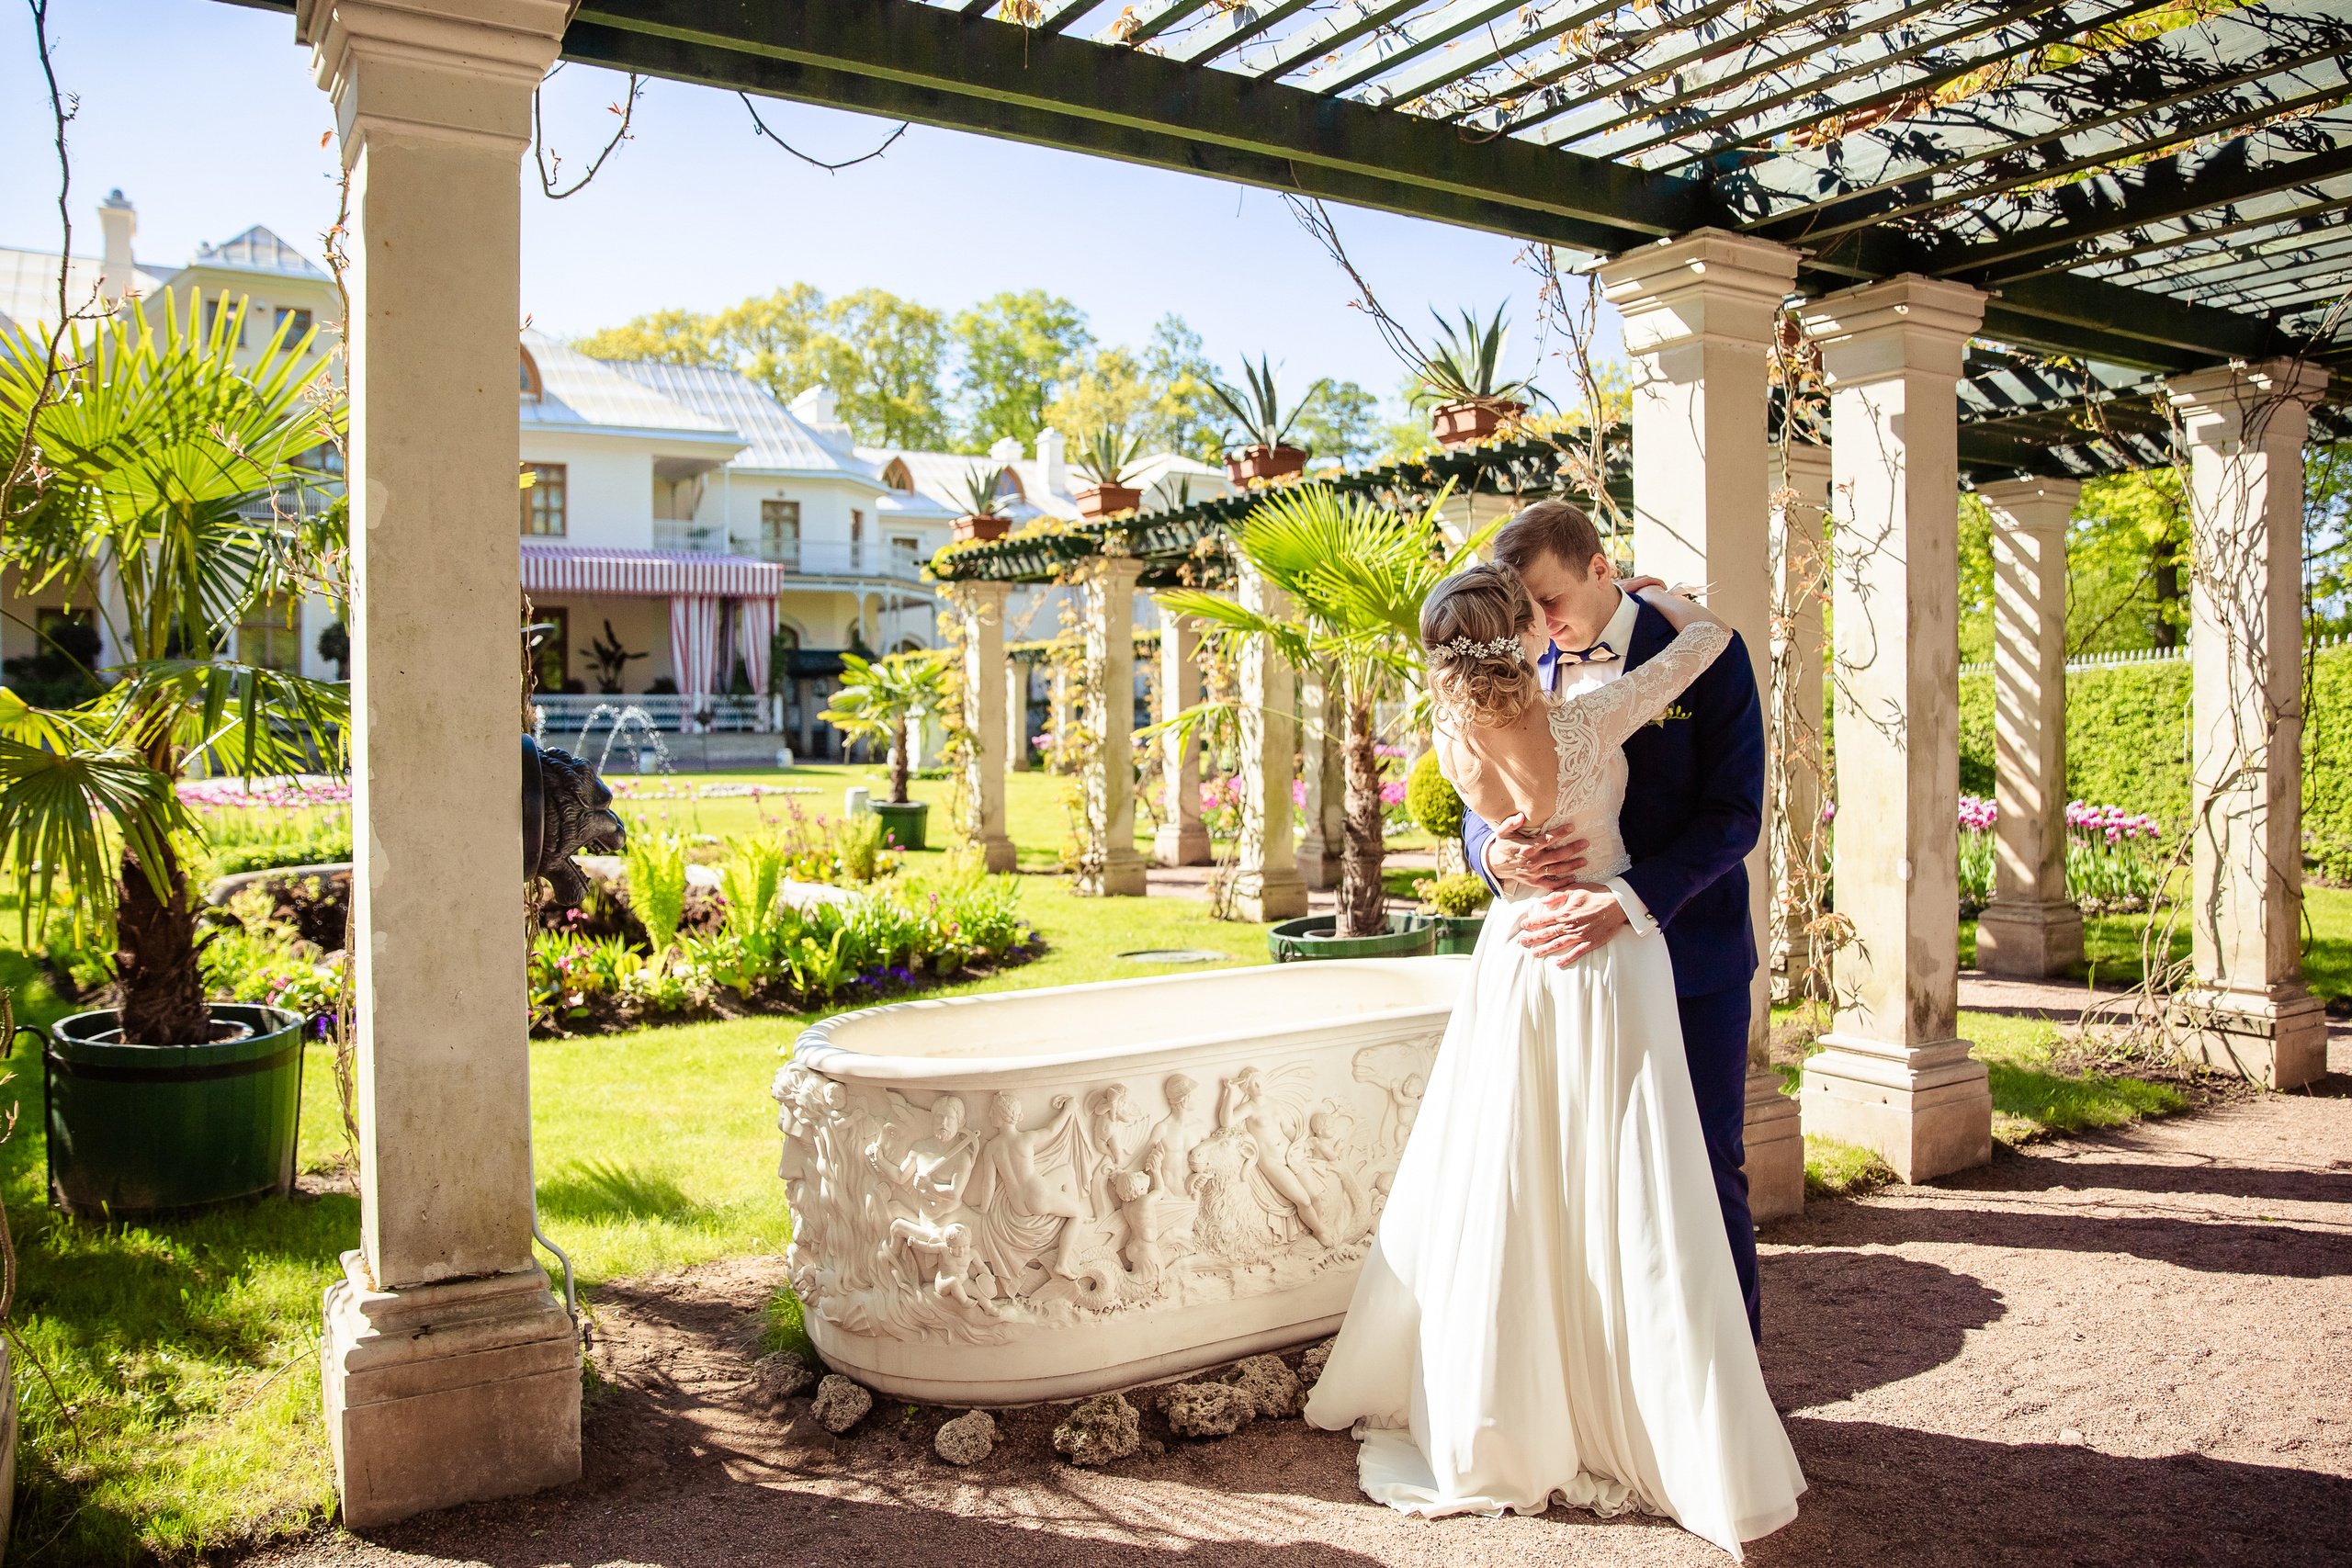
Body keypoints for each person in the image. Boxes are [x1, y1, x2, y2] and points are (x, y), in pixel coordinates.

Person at [1303, 560, 1803, 1558]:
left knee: (1514, 1172)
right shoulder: (1580, 722)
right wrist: (1675, 599)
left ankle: (1517, 1400)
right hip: (1604, 965)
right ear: (1525, 632)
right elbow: (1702, 647)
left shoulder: (1452, 731)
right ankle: (1658, 1410)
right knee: (1633, 1179)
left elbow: (1717, 806)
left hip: (1518, 961)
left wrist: (1503, 852)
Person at [1464, 499, 1769, 1342]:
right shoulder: (1516, 657)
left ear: (1602, 568)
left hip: (1689, 954)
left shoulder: (1700, 654)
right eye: (1525, 610)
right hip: (1562, 970)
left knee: (1704, 1170)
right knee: (1580, 1178)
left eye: (1552, 601)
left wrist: (1627, 903)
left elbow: (1734, 815)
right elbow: (1475, 793)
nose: (1542, 624)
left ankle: (1727, 1388)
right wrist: (1494, 855)